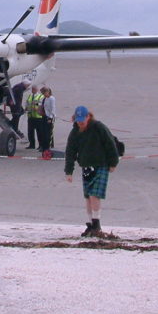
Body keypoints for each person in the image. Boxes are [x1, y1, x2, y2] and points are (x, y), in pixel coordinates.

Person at [64, 105, 120, 237]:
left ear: (88, 116)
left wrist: (113, 163)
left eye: (82, 119)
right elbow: (70, 152)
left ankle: (96, 224)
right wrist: (69, 171)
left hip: (101, 165)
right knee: (88, 197)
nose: (80, 122)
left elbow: (110, 144)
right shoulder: (75, 132)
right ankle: (90, 225)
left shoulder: (98, 127)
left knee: (94, 195)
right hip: (86, 167)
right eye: (78, 120)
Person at [40, 87, 56, 152]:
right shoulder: (45, 98)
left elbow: (53, 108)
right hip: (45, 116)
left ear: (48, 92)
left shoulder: (52, 99)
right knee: (43, 132)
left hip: (49, 117)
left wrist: (50, 117)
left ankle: (47, 146)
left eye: (44, 93)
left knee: (48, 132)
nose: (44, 94)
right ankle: (44, 146)